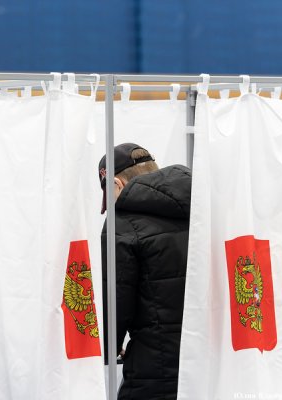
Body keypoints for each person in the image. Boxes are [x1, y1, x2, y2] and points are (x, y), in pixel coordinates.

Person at [99, 143, 192, 400]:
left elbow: (116, 305)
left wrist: (109, 347)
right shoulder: (202, 204)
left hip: (154, 370)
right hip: (210, 363)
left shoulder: (121, 223)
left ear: (116, 184)